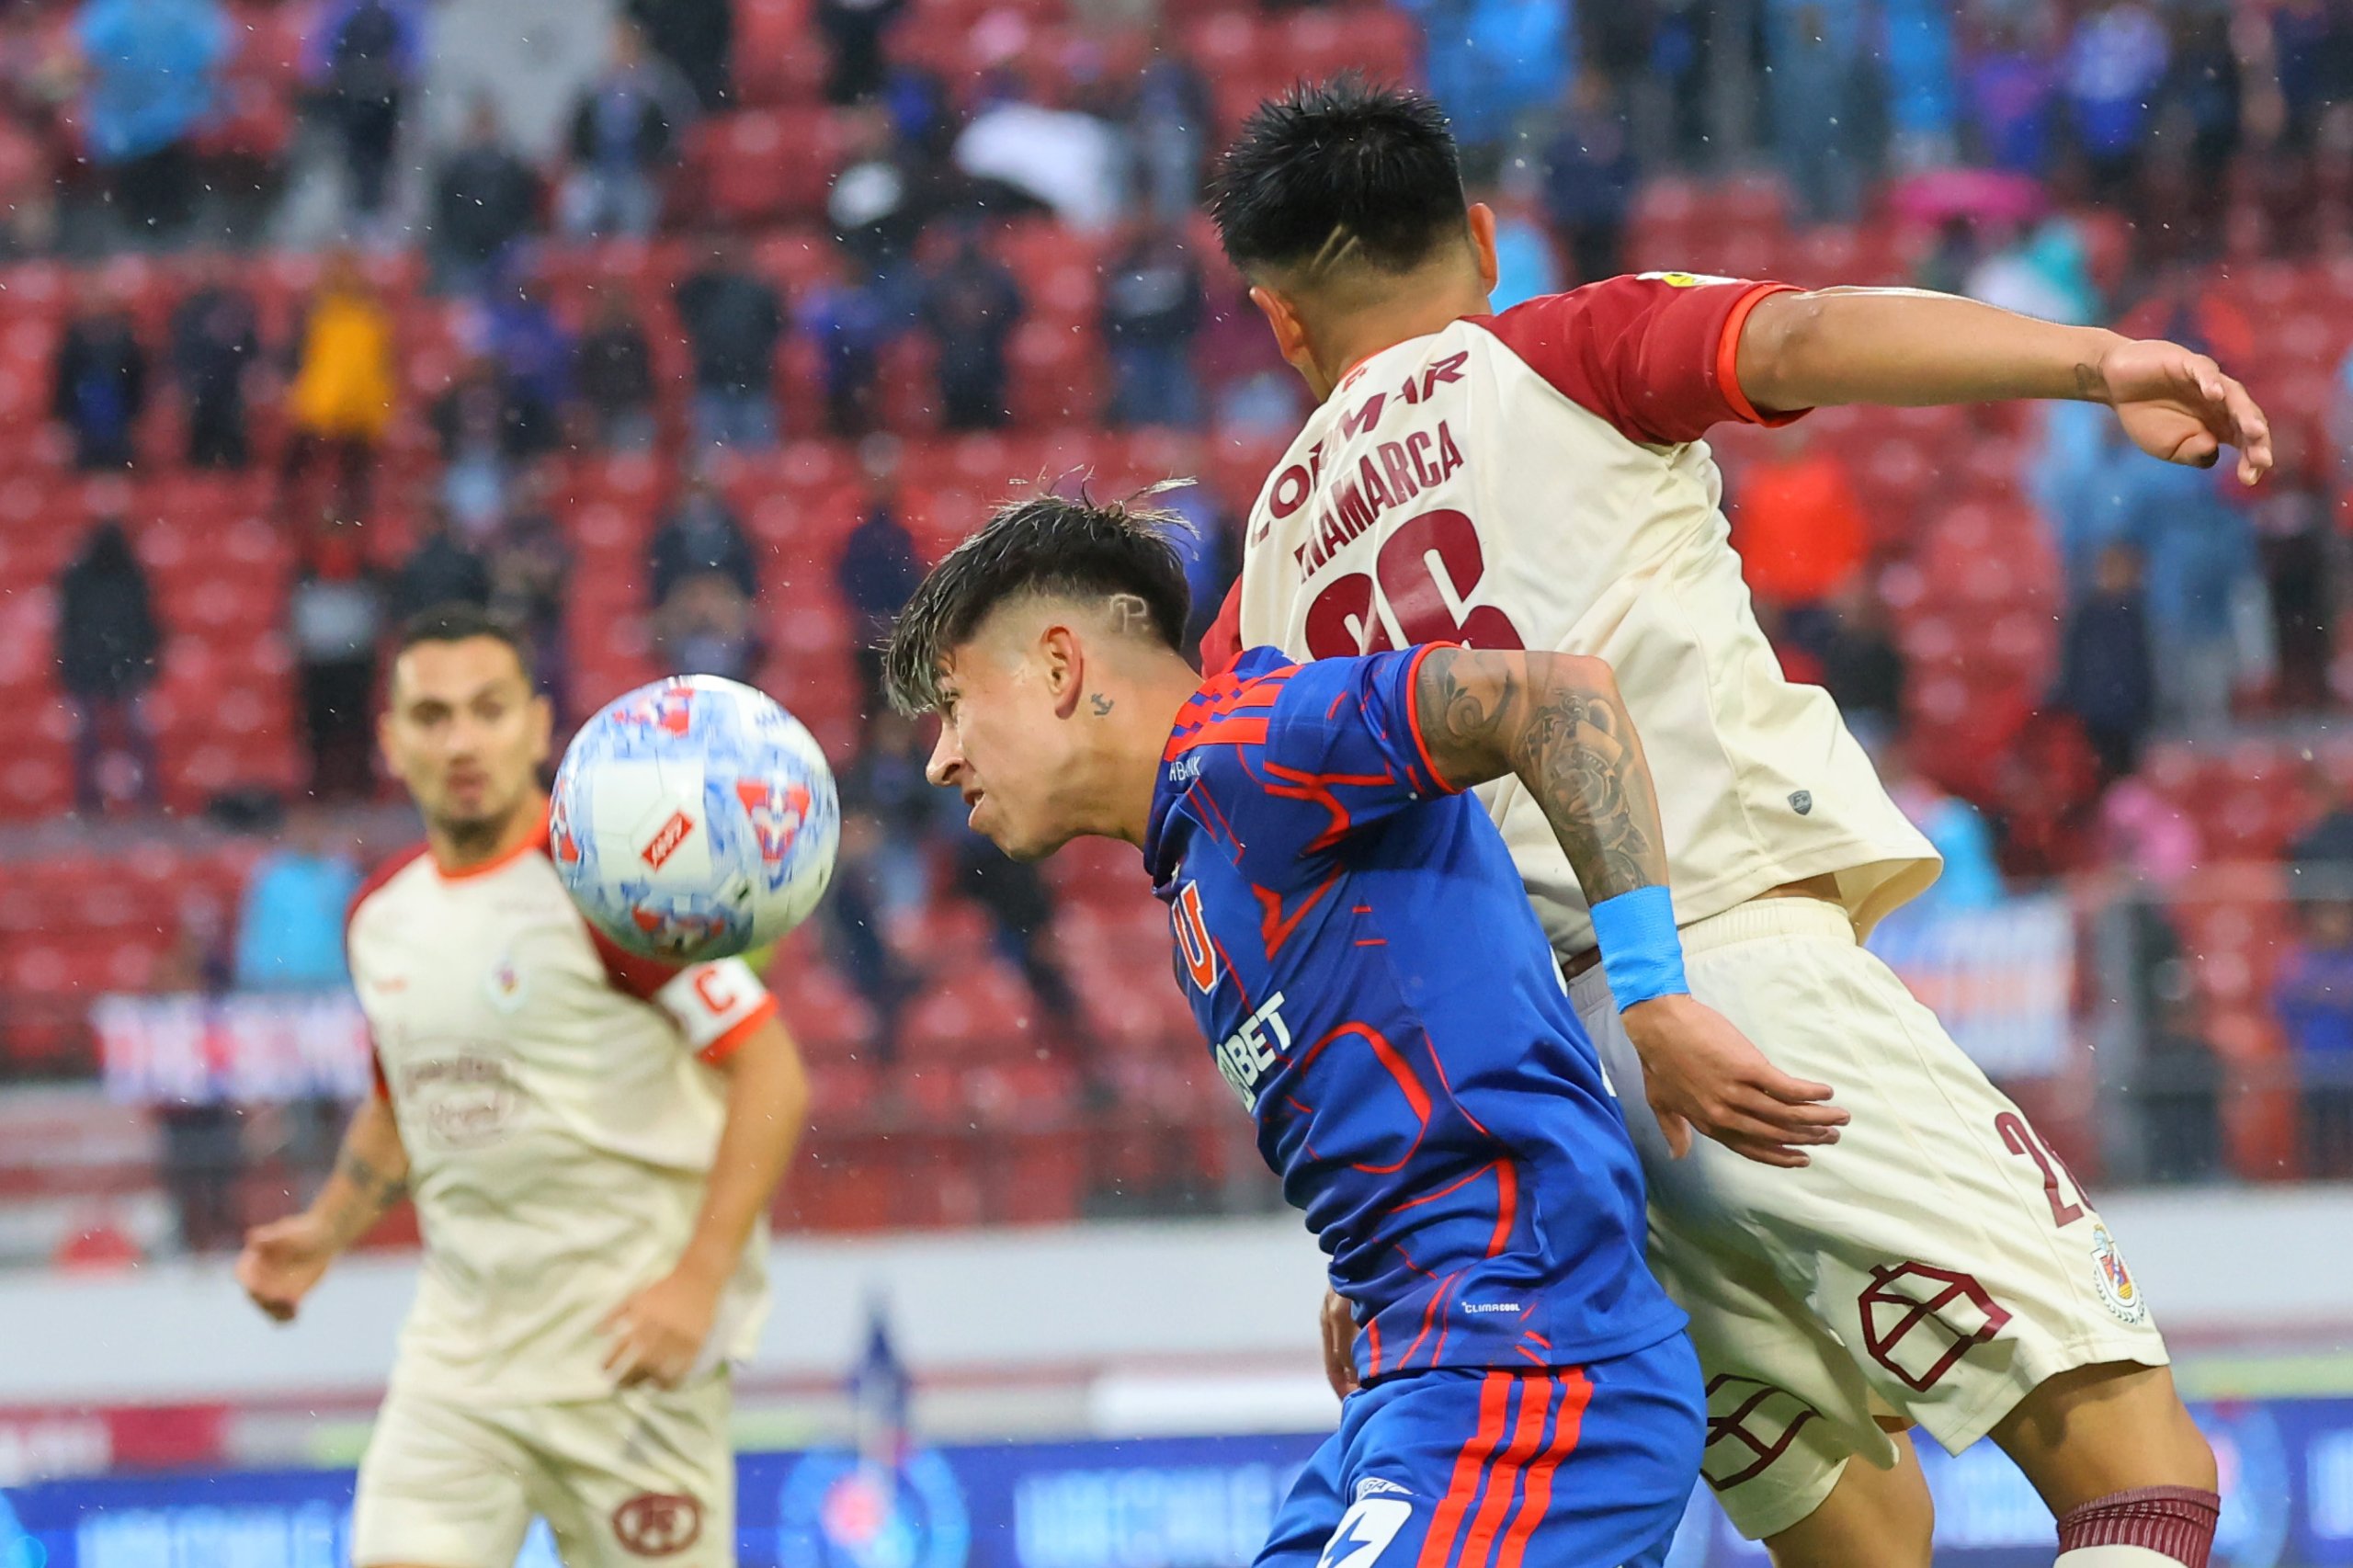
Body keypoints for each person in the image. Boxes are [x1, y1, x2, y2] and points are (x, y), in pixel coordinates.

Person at [1199, 81, 2267, 1568]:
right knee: (2140, 1474)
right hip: (1727, 984)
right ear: (1484, 239)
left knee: (1863, 1532)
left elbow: (1299, 913)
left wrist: (1384, 1215)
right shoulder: (1555, 349)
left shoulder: (1261, 589)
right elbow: (1806, 335)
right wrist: (2096, 362)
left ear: (1280, 321)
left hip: (1550, 1113)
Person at [884, 494, 1721, 1567]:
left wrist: (1653, 995)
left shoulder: (1256, 745)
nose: (940, 758)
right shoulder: (1197, 850)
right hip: (1420, 1375)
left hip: (1528, 1362)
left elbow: (1557, 697)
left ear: (1059, 666)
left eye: (955, 704)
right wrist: (1370, 1259)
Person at [234, 603, 808, 1565]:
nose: (462, 741)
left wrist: (698, 1281)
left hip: (629, 1364)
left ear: (540, 727)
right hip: (459, 1367)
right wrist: (325, 1229)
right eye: (433, 716)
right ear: (390, 740)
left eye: (489, 709)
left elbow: (771, 1070)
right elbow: (404, 1101)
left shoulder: (616, 883)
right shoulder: (381, 915)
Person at [73, 0, 227, 243]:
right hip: (171, 137)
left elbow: (85, 61)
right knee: (176, 234)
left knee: (138, 235)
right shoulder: (187, 11)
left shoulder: (112, 13)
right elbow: (215, 57)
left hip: (135, 141)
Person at [54, 517, 160, 812]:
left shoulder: (127, 577)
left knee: (122, 738)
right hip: (107, 666)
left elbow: (148, 625)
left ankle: (137, 801)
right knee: (95, 740)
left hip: (112, 666)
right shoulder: (124, 576)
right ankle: (102, 803)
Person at [283, 249, 394, 522]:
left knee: (355, 468)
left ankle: (350, 517)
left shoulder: (372, 317)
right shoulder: (315, 313)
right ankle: (292, 510)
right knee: (303, 459)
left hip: (358, 402)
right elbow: (298, 357)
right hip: (322, 399)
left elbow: (379, 362)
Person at [560, 18, 694, 240]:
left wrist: (657, 160)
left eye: (627, 44)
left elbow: (678, 126)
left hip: (638, 172)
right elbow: (576, 125)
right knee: (576, 216)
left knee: (634, 226)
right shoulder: (594, 84)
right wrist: (581, 157)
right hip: (597, 171)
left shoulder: (658, 83)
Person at [309, 0, 424, 230]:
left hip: (362, 95)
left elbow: (322, 56)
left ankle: (367, 216)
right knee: (364, 160)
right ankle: (363, 217)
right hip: (372, 96)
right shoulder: (387, 13)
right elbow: (411, 59)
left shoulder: (350, 12)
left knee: (365, 160)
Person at [233, 809, 362, 991]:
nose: (308, 835)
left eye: (314, 828)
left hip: (335, 980)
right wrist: (250, 974)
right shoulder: (270, 876)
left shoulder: (342, 875)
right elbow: (254, 928)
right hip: (278, 983)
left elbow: (355, 926)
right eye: (302, 829)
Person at [675, 238, 784, 449]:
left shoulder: (756, 290)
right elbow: (681, 304)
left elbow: (776, 325)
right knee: (714, 456)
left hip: (753, 382)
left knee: (759, 458)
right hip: (712, 382)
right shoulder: (701, 290)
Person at [429, 99, 540, 295]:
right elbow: (445, 206)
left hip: (502, 247)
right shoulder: (456, 166)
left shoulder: (511, 165)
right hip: (463, 250)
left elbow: (524, 203)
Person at [1101, 224, 1205, 429]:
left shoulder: (1179, 267)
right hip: (1137, 348)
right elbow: (1111, 311)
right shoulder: (1125, 268)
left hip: (1173, 348)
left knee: (1179, 408)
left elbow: (1193, 307)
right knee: (1140, 407)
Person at [919, 226, 1023, 431]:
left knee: (990, 420)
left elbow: (1015, 309)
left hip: (988, 362)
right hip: (955, 365)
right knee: (955, 423)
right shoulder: (943, 279)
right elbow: (928, 314)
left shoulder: (996, 278)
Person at [170, 254, 259, 469]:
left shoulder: (236, 306)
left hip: (229, 387)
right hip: (201, 388)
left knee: (233, 442)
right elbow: (181, 350)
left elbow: (250, 349)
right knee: (200, 445)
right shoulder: (190, 308)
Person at [51, 285, 148, 470]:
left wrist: (137, 417)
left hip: (118, 414)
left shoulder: (127, 340)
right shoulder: (72, 341)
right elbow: (63, 383)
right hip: (82, 415)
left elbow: (137, 382)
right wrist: (62, 417)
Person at [573, 288, 657, 451]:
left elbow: (645, 375)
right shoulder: (593, 342)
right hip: (600, 408)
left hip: (629, 407)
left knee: (632, 452)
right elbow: (583, 376)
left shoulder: (634, 340)